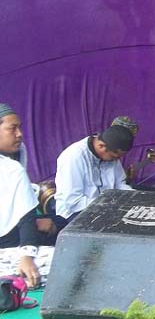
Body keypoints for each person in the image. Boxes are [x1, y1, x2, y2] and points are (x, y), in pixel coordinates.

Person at [0, 104, 53, 287]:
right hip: (10, 244)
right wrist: (27, 257)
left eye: (20, 127)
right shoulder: (12, 169)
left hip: (10, 235)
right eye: (12, 128)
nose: (20, 134)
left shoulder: (14, 161)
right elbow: (25, 216)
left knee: (55, 222)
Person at [54, 123, 134, 225]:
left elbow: (120, 184)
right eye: (115, 157)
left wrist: (133, 198)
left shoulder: (111, 152)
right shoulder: (74, 157)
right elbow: (74, 202)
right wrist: (110, 205)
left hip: (107, 208)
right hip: (75, 214)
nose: (116, 160)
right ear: (101, 146)